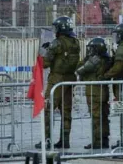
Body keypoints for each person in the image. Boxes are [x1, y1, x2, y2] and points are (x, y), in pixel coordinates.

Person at [36, 16, 80, 148]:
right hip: (70, 79)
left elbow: (45, 63)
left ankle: (47, 140)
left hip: (56, 79)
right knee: (66, 111)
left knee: (48, 109)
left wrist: (44, 50)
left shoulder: (57, 43)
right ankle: (65, 140)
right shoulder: (75, 42)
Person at [75, 37, 111, 149]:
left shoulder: (95, 61)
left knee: (96, 117)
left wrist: (86, 63)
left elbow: (79, 69)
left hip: (94, 91)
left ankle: (97, 142)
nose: (90, 50)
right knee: (103, 116)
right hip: (102, 90)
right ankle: (104, 140)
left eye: (92, 48)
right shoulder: (107, 59)